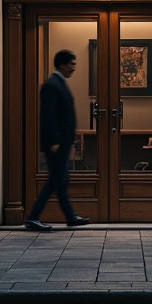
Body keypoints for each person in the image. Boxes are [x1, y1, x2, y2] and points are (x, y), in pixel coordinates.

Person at [24, 50, 91, 232]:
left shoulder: (58, 83)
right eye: (71, 64)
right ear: (62, 64)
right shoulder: (52, 85)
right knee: (56, 179)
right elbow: (48, 116)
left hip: (62, 142)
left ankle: (70, 217)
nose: (73, 68)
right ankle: (33, 217)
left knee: (61, 179)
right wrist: (54, 140)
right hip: (57, 144)